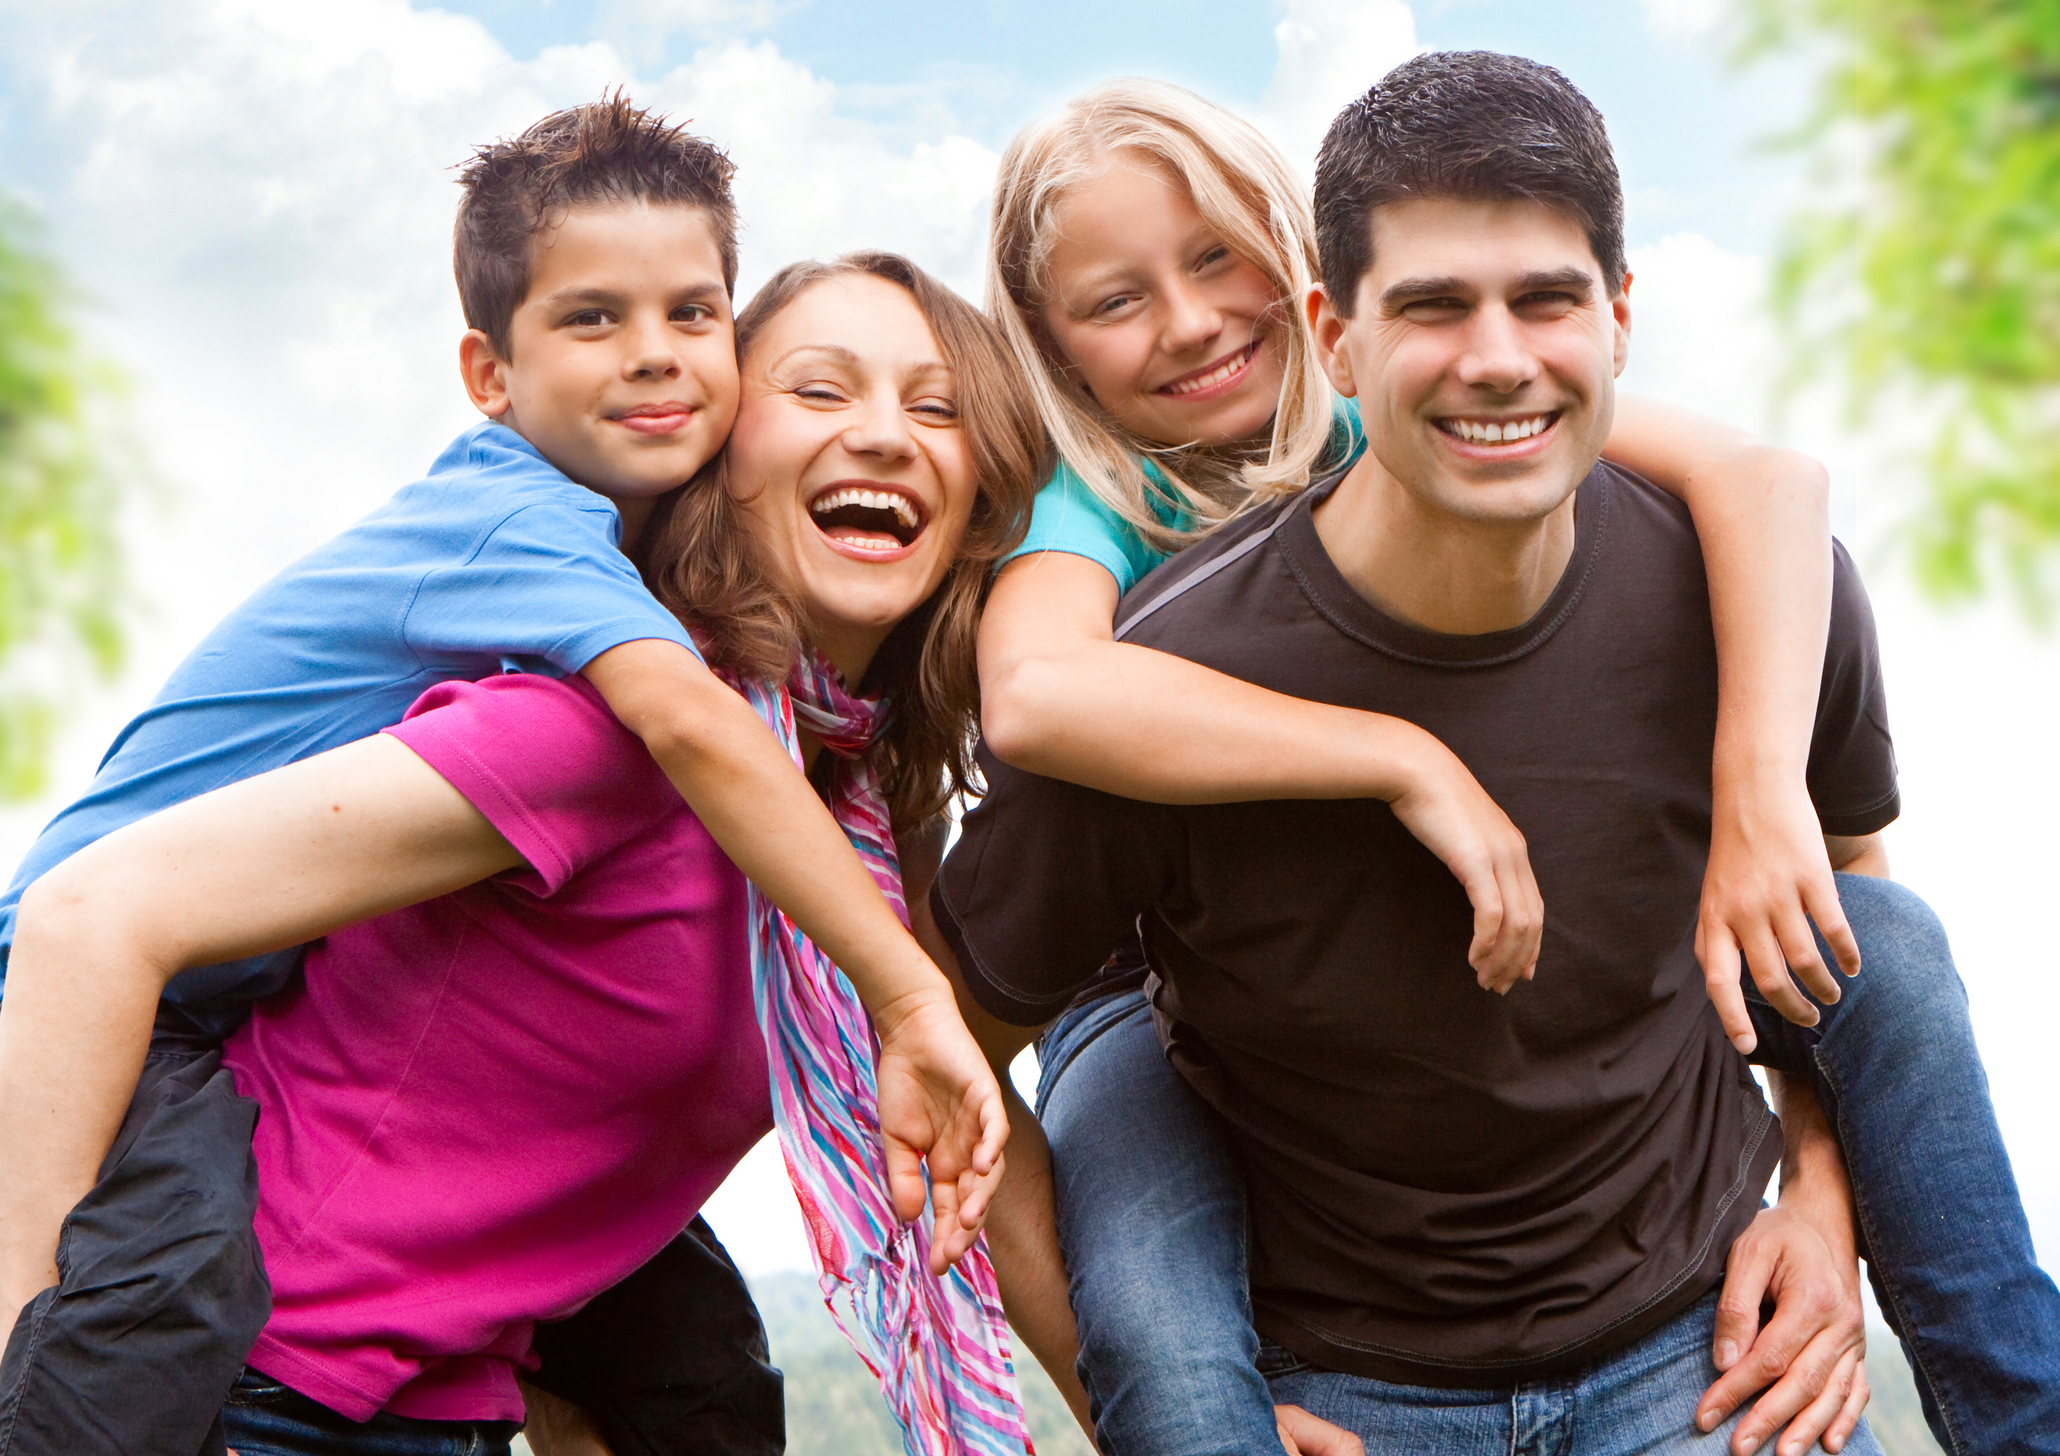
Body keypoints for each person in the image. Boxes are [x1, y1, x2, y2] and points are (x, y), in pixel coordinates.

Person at [930, 51, 2060, 1456]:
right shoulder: (1099, 534)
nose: (1186, 323)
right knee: (1161, 1312)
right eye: (1115, 300)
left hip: (1658, 1307)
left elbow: (1766, 479)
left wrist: (1758, 793)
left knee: (1877, 934)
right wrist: (1404, 758)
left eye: (1215, 259)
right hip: (1140, 1000)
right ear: (1345, 324)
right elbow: (1036, 701)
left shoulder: (1434, 421)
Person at [0, 101, 1006, 1456]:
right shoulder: (596, 668)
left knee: (711, 1385)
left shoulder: (852, 820)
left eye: (939, 408)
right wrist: (24, 1330)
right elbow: (85, 921)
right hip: (218, 1291)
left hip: (425, 1396)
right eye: (820, 390)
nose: (652, 356)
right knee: (127, 1334)